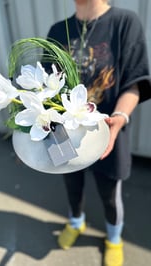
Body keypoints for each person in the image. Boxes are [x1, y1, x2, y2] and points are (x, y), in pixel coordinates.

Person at [46, 0, 151, 265]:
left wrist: (120, 116)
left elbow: (134, 82)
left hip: (106, 132)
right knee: (71, 184)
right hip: (64, 133)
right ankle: (76, 222)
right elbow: (47, 87)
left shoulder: (124, 23)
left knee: (109, 192)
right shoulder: (58, 32)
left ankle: (114, 239)